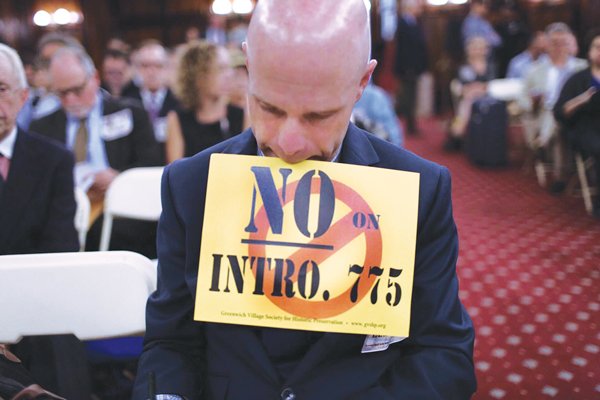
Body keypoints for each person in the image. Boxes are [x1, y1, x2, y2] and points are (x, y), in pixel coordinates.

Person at [133, 0, 476, 399]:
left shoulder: (417, 188)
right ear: (248, 67)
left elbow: (443, 354)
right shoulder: (191, 185)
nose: (288, 144)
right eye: (269, 108)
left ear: (362, 82)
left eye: (318, 116)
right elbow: (170, 344)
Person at [0, 42, 91, 400]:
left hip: (38, 305)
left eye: (1, 89)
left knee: (58, 342)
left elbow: (60, 252)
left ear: (23, 97)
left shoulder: (53, 159)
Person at [29, 45, 161, 258]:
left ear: (95, 79)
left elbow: (152, 163)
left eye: (77, 90)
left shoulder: (130, 113)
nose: (71, 100)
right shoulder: (41, 128)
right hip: (66, 216)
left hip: (124, 216)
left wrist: (119, 179)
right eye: (62, 93)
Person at [520, 23, 588, 190]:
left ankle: (543, 142)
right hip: (545, 113)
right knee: (556, 118)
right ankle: (560, 175)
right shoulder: (534, 70)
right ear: (547, 45)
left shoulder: (582, 67)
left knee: (559, 114)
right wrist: (533, 101)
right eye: (554, 43)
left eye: (563, 42)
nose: (559, 47)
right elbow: (522, 99)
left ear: (570, 44)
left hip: (579, 114)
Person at [165, 40, 244, 164]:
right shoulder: (177, 119)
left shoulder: (242, 116)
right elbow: (176, 173)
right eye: (220, 69)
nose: (229, 75)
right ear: (198, 75)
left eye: (229, 68)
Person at [554, 29, 600, 216]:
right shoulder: (577, 78)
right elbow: (559, 111)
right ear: (589, 51)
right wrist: (582, 99)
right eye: (598, 47)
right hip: (584, 128)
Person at [123, 40, 180, 164]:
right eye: (145, 66)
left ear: (167, 68)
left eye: (158, 66)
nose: (151, 71)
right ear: (137, 69)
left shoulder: (180, 102)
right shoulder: (126, 102)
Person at [16, 33, 81, 131]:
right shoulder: (32, 98)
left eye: (57, 59)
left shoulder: (83, 95)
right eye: (45, 61)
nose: (50, 67)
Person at [446, 36, 496, 150]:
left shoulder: (491, 65)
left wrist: (478, 88)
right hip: (468, 97)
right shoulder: (464, 67)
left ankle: (458, 129)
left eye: (481, 48)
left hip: (487, 98)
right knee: (469, 98)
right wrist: (473, 89)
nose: (478, 51)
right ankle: (460, 131)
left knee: (470, 99)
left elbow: (491, 84)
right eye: (475, 48)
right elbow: (461, 85)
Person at [393, 0, 428, 136]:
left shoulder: (414, 22)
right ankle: (410, 126)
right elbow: (403, 49)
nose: (420, 8)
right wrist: (407, 68)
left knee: (412, 97)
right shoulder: (403, 23)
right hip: (407, 68)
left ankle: (412, 125)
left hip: (414, 67)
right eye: (417, 6)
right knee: (408, 96)